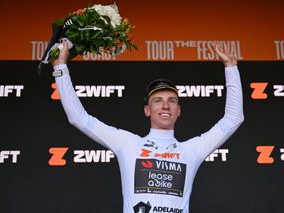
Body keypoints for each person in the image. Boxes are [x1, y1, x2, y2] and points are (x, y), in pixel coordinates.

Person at [51, 41, 244, 213]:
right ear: (147, 110)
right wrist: (60, 68)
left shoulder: (191, 150)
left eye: (172, 101)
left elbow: (233, 119)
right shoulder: (127, 144)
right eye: (158, 100)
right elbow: (79, 118)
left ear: (179, 110)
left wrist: (231, 68)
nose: (166, 106)